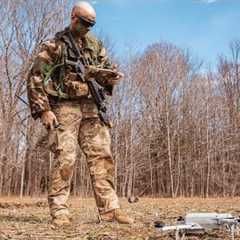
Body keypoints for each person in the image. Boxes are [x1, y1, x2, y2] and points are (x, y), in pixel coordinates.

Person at [27, 1, 134, 228]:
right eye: (85, 23)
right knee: (65, 158)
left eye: (92, 24)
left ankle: (110, 210)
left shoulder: (95, 45)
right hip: (64, 107)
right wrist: (43, 110)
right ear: (73, 17)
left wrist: (110, 79)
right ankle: (60, 212)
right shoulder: (55, 45)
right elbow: (36, 76)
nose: (88, 28)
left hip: (91, 108)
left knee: (102, 157)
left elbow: (104, 72)